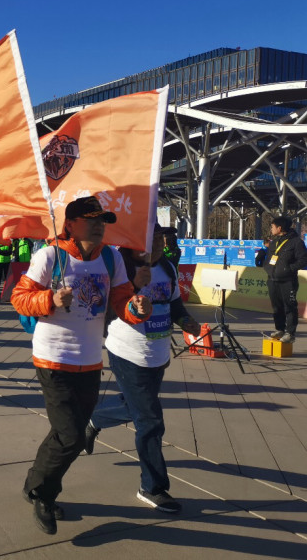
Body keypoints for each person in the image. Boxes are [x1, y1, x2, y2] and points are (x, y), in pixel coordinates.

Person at [11, 195, 152, 535]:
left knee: (66, 433)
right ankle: (44, 496)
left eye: (102, 220)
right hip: (54, 358)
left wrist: (137, 309)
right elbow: (19, 297)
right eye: (92, 220)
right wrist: (49, 298)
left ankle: (34, 483)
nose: (99, 225)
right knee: (71, 435)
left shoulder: (111, 258)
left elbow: (121, 301)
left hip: (90, 361)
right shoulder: (51, 256)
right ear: (71, 225)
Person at [84, 223, 201, 514]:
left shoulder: (168, 268)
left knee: (134, 407)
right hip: (128, 353)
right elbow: (104, 307)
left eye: (161, 239)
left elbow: (174, 305)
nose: (158, 244)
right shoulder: (119, 268)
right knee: (150, 420)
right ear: (133, 242)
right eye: (151, 239)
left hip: (158, 355)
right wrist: (135, 285)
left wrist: (186, 321)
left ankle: (94, 419)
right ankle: (152, 487)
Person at [263, 216, 307, 343]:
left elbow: (303, 260)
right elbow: (268, 259)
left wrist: (289, 269)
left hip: (288, 281)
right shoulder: (274, 242)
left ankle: (290, 333)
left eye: (272, 226)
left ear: (279, 228)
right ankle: (280, 329)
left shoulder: (296, 242)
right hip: (273, 280)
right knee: (277, 307)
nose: (271, 229)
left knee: (289, 307)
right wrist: (268, 269)